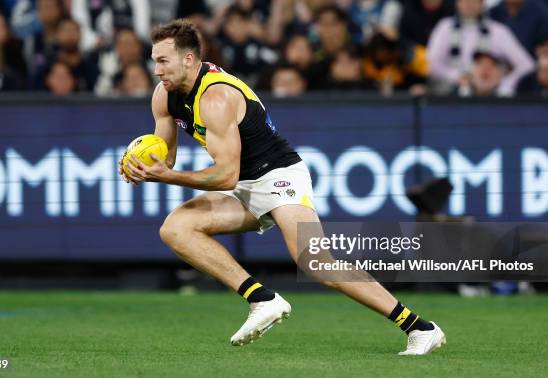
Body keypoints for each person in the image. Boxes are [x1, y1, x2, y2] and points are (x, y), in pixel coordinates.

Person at [119, 19, 445, 355]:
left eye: (162, 60)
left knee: (316, 262)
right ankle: (262, 299)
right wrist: (142, 165)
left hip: (277, 175)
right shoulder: (165, 94)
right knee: (176, 228)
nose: (156, 69)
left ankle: (420, 328)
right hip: (243, 182)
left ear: (189, 59)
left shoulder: (216, 96)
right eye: (154, 60)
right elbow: (166, 156)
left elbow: (225, 176)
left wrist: (166, 176)